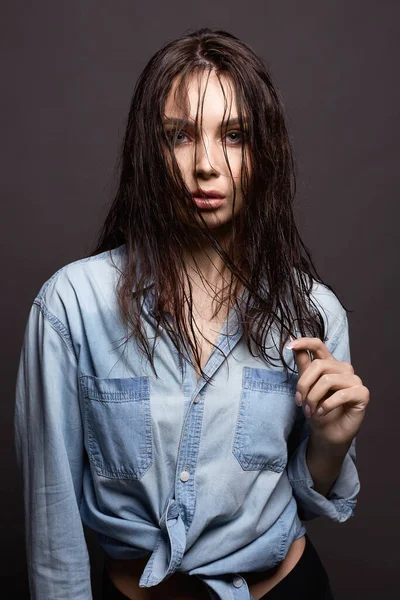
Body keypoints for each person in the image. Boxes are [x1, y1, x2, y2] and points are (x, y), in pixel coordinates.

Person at [14, 27, 369, 600]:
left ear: (264, 151)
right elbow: (51, 525)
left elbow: (306, 499)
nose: (207, 165)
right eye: (179, 136)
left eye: (234, 135)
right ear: (148, 150)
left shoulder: (314, 311)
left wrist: (330, 443)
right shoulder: (70, 306)